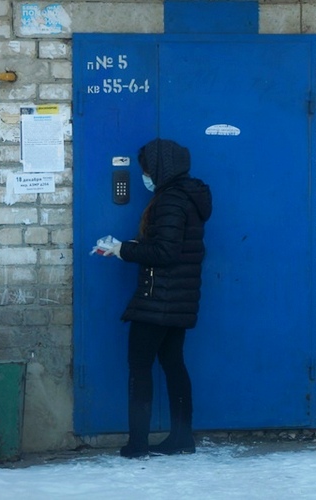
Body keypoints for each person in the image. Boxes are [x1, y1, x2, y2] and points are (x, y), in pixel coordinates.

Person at [99, 138, 212, 458]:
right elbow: (170, 244)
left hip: (159, 297)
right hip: (177, 297)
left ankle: (137, 444)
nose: (145, 176)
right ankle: (181, 437)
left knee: (140, 366)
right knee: (173, 363)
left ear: (161, 168)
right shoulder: (186, 196)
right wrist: (132, 246)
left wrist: (123, 250)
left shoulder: (170, 200)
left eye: (147, 169)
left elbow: (165, 252)